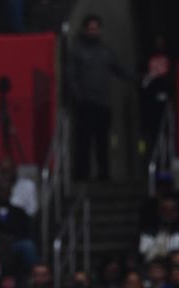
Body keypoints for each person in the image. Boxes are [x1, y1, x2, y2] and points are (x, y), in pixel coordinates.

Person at [67, 14, 131, 180]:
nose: (94, 32)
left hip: (104, 105)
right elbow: (71, 76)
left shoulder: (106, 51)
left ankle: (104, 174)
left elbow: (120, 70)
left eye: (96, 28)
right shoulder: (77, 51)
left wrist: (139, 77)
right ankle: (82, 174)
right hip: (86, 104)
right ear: (85, 30)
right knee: (84, 142)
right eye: (91, 29)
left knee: (103, 142)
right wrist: (79, 97)